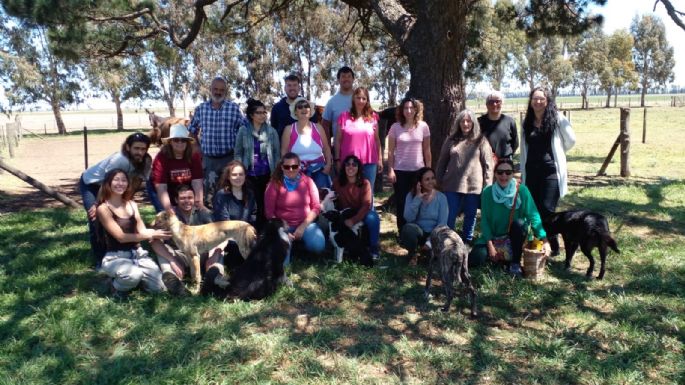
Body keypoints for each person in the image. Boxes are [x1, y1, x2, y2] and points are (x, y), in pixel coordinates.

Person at [79, 132, 152, 268]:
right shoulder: (121, 160)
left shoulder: (146, 161)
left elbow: (136, 182)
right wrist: (97, 204)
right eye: (136, 148)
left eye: (143, 149)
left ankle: (121, 251)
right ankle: (100, 261)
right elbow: (107, 184)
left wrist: (127, 201)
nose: (140, 152)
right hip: (93, 184)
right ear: (128, 147)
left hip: (115, 186)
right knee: (96, 219)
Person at [96, 169, 171, 297]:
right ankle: (114, 286)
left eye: (124, 180)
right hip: (116, 256)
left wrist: (159, 232)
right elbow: (121, 237)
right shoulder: (103, 209)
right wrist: (151, 234)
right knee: (133, 275)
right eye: (116, 179)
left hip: (138, 254)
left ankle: (135, 281)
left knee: (160, 289)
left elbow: (142, 230)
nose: (120, 183)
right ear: (108, 183)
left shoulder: (132, 204)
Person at [471, 159, 551, 277]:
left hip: (516, 238)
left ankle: (515, 263)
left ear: (513, 174)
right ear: (495, 173)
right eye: (500, 172)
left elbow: (533, 215)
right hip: (494, 238)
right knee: (475, 259)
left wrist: (544, 240)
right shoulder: (487, 192)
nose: (504, 176)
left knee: (519, 224)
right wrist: (490, 246)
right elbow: (485, 221)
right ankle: (499, 259)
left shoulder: (522, 190)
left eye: (508, 172)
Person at [520, 87, 576, 254]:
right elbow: (524, 148)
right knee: (534, 209)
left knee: (546, 209)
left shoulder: (558, 118)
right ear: (530, 101)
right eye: (535, 98)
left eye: (541, 99)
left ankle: (552, 245)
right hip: (531, 172)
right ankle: (540, 244)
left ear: (547, 101)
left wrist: (558, 151)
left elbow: (571, 140)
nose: (538, 102)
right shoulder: (526, 122)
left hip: (551, 172)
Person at [149, 185, 221, 296]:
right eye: (182, 198)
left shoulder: (204, 213)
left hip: (202, 255)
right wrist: (172, 259)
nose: (187, 201)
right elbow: (153, 240)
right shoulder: (167, 217)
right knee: (162, 252)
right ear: (176, 200)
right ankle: (174, 283)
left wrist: (214, 254)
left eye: (190, 197)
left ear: (194, 198)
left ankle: (214, 279)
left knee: (219, 253)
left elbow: (221, 234)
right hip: (178, 255)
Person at [435, 109, 493, 243]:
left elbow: (488, 165)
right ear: (459, 123)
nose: (465, 124)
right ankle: (447, 241)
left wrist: (487, 186)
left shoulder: (481, 140)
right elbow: (442, 162)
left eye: (468, 121)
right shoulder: (451, 140)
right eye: (463, 121)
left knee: (470, 215)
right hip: (452, 185)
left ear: (473, 123)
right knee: (450, 215)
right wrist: (438, 181)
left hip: (473, 186)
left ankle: (467, 241)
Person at [188, 77, 246, 206]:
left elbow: (244, 131)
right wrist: (196, 146)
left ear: (225, 91)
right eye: (215, 89)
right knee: (209, 195)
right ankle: (211, 221)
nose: (218, 92)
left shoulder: (234, 109)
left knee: (230, 191)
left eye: (221, 90)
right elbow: (192, 130)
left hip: (229, 159)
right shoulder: (201, 109)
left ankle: (230, 220)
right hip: (209, 160)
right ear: (210, 89)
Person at [264, 152, 325, 265]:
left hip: (305, 225)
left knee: (318, 246)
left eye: (294, 166)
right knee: (283, 265)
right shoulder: (274, 184)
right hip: (282, 227)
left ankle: (298, 247)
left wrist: (302, 227)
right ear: (282, 167)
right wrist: (281, 231)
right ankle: (288, 247)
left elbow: (316, 206)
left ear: (300, 166)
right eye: (287, 167)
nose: (291, 169)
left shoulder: (308, 181)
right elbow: (269, 213)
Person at [387, 97, 431, 232]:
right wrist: (390, 170)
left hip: (418, 171)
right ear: (402, 110)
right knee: (402, 202)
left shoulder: (423, 126)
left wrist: (428, 171)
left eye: (411, 108)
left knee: (419, 200)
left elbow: (427, 150)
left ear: (416, 110)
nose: (409, 110)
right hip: (400, 171)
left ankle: (418, 230)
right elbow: (390, 151)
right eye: (406, 108)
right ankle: (403, 231)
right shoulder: (395, 127)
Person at [234, 99, 280, 229]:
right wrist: (240, 169)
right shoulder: (243, 131)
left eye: (264, 112)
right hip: (249, 174)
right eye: (258, 113)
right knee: (250, 205)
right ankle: (247, 231)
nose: (262, 115)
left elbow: (276, 153)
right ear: (251, 115)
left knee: (265, 204)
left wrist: (275, 173)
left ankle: (262, 232)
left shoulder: (271, 132)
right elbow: (237, 152)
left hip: (267, 174)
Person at [332, 155, 381, 260]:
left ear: (359, 168)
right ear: (344, 167)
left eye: (354, 164)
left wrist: (353, 220)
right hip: (343, 213)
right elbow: (332, 200)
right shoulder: (337, 182)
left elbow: (366, 205)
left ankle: (374, 249)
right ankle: (338, 248)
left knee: (373, 218)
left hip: (360, 212)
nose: (350, 167)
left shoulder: (365, 183)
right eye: (347, 164)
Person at [334, 87, 383, 189]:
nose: (361, 101)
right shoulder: (343, 117)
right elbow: (338, 140)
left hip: (369, 163)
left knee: (368, 195)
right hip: (349, 163)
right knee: (349, 193)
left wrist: (380, 160)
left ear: (367, 100)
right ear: (353, 99)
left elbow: (377, 140)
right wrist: (337, 160)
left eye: (364, 98)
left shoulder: (373, 117)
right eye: (358, 98)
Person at [148, 124, 204, 213]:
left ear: (188, 142)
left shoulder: (194, 156)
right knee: (168, 216)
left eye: (183, 140)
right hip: (164, 189)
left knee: (194, 214)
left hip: (185, 190)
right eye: (176, 140)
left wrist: (199, 202)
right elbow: (161, 186)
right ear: (170, 142)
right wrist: (168, 208)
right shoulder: (161, 157)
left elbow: (197, 181)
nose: (180, 143)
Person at [399, 167, 448, 265]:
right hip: (419, 232)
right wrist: (417, 198)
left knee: (444, 232)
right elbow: (408, 218)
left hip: (435, 234)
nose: (431, 182)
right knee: (408, 229)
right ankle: (413, 253)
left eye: (433, 178)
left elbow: (442, 223)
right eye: (427, 179)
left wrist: (429, 242)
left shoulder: (441, 198)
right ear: (419, 182)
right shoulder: (411, 195)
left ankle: (426, 253)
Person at [281, 97, 333, 189]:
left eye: (306, 106)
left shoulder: (318, 128)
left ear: (310, 111)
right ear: (295, 112)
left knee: (323, 200)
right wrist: (288, 169)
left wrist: (328, 164)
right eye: (300, 107)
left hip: (319, 170)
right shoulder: (289, 129)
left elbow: (326, 148)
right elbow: (284, 152)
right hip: (296, 171)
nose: (304, 109)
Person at [270, 73, 320, 138]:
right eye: (289, 85)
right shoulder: (277, 108)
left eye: (295, 85)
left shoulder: (308, 106)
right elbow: (274, 130)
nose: (292, 88)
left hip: (305, 146)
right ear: (285, 88)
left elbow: (315, 127)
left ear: (299, 88)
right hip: (283, 147)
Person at [477, 91, 519, 161]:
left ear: (502, 103)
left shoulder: (510, 121)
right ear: (486, 104)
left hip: (505, 162)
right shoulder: (478, 122)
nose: (494, 104)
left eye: (497, 101)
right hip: (484, 161)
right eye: (491, 102)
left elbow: (515, 143)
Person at [322, 66, 355, 143]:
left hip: (360, 148)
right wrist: (328, 147)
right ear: (338, 80)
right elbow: (325, 125)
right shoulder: (332, 102)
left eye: (349, 76)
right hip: (339, 150)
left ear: (353, 79)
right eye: (343, 76)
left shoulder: (361, 99)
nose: (346, 79)